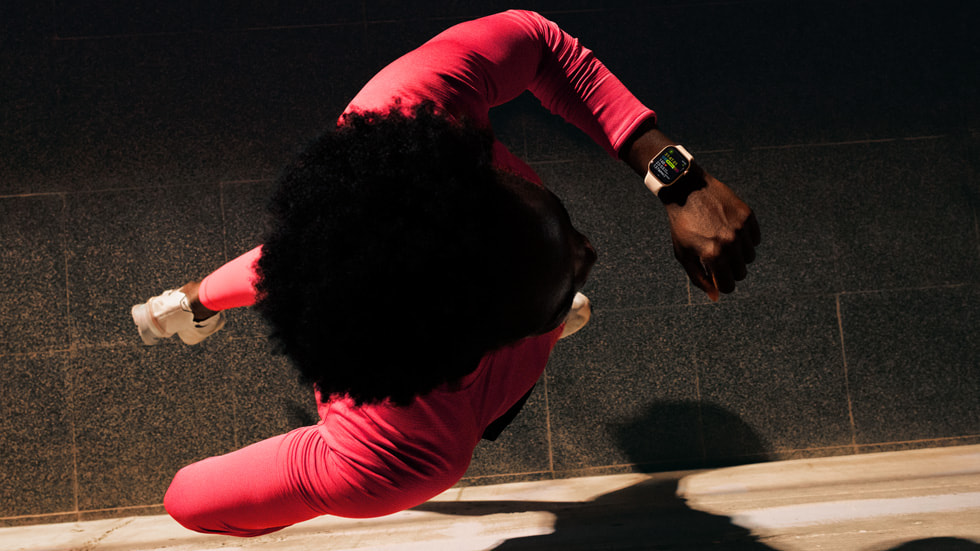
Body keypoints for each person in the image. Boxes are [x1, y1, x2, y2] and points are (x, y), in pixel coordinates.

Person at [131, 10, 759, 537]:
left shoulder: (409, 111)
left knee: (328, 249)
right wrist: (309, 471)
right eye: (565, 258)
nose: (588, 250)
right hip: (403, 391)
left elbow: (539, 40)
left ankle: (196, 302)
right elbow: (184, 499)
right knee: (326, 261)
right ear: (478, 349)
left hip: (382, 294)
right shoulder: (400, 454)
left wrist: (678, 180)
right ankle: (198, 303)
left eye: (563, 234)